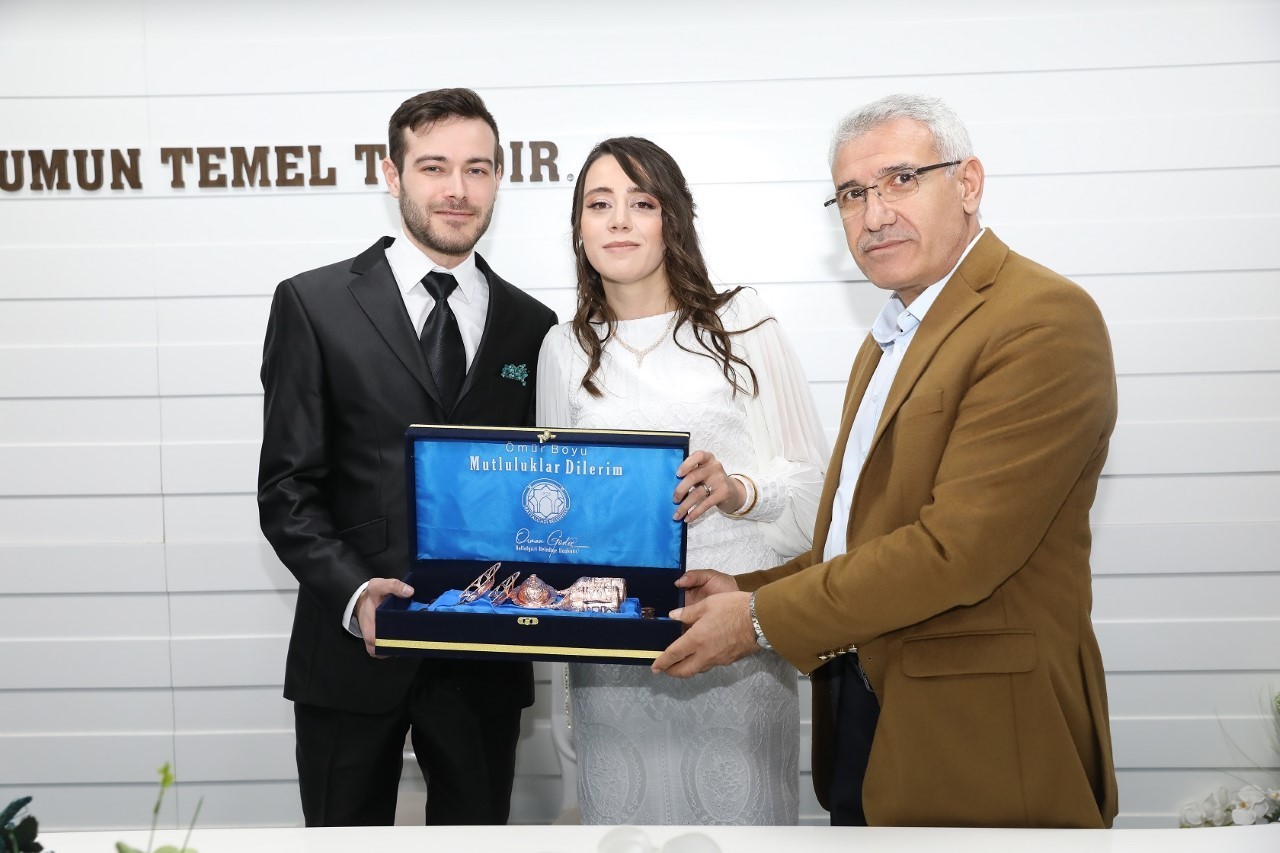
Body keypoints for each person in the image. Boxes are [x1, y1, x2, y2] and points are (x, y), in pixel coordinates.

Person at [652, 94, 1119, 829]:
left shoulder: (1041, 319)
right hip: (869, 718)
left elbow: (955, 551)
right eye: (852, 193)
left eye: (901, 179)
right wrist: (745, 587)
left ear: (967, 183)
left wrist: (759, 618)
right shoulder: (890, 337)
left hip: (982, 742)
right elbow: (862, 536)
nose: (874, 215)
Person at [257, 87, 557, 826]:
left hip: (484, 657)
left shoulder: (534, 325)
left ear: (498, 178)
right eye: (433, 167)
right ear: (392, 175)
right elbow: (287, 489)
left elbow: (544, 486)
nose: (458, 189)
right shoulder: (313, 304)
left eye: (477, 169)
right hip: (349, 654)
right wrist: (358, 593)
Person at [536, 137, 828, 825]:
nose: (618, 220)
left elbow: (819, 488)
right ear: (578, 228)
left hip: (731, 635)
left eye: (641, 203)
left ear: (673, 219)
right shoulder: (563, 347)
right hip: (612, 653)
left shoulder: (741, 322)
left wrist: (739, 488)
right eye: (599, 204)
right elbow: (553, 526)